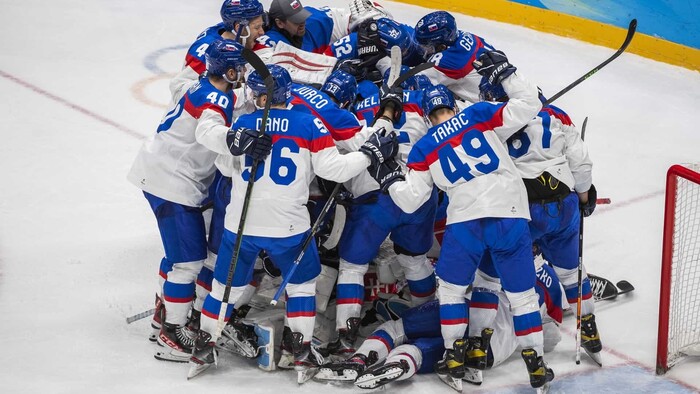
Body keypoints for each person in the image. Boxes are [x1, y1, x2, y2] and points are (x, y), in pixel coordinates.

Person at [187, 64, 399, 381]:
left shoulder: (243, 122)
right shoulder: (309, 123)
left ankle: (203, 347)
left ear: (259, 96)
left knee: (225, 288)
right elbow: (335, 171)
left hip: (240, 225)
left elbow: (227, 165)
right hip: (288, 227)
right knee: (301, 287)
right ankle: (300, 354)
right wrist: (368, 154)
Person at [369, 50, 554, 390]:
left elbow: (411, 200)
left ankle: (455, 353)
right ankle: (536, 365)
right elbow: (530, 104)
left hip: (464, 223)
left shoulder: (425, 147)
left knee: (452, 292)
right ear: (453, 106)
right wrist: (506, 74)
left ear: (426, 116)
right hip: (508, 216)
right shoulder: (480, 114)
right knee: (522, 297)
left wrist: (388, 177)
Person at [126, 40, 249, 362]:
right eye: (241, 66)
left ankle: (163, 317)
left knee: (180, 254)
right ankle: (172, 332)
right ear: (231, 70)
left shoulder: (205, 86)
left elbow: (224, 102)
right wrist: (233, 140)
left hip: (164, 173)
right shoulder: (215, 100)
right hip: (171, 183)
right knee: (189, 262)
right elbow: (210, 130)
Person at [479, 78, 601, 363]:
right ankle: (590, 328)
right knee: (571, 272)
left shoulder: (494, 121)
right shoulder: (556, 114)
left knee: (490, 272)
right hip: (564, 206)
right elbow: (580, 161)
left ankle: (479, 336)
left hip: (523, 210)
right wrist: (584, 197)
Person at [314, 259, 564, 390]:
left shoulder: (499, 255)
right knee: (421, 351)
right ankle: (400, 364)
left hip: (464, 315)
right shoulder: (551, 282)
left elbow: (457, 282)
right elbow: (551, 337)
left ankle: (359, 360)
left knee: (396, 328)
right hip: (491, 353)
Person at [169, 0, 267, 100]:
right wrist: (220, 96)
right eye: (257, 27)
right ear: (239, 28)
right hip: (200, 114)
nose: (262, 32)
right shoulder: (212, 53)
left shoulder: (230, 28)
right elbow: (177, 87)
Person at [413, 11, 495, 103]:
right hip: (504, 88)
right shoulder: (464, 35)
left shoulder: (445, 61)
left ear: (442, 46)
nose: (424, 50)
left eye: (427, 46)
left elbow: (416, 79)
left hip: (492, 108)